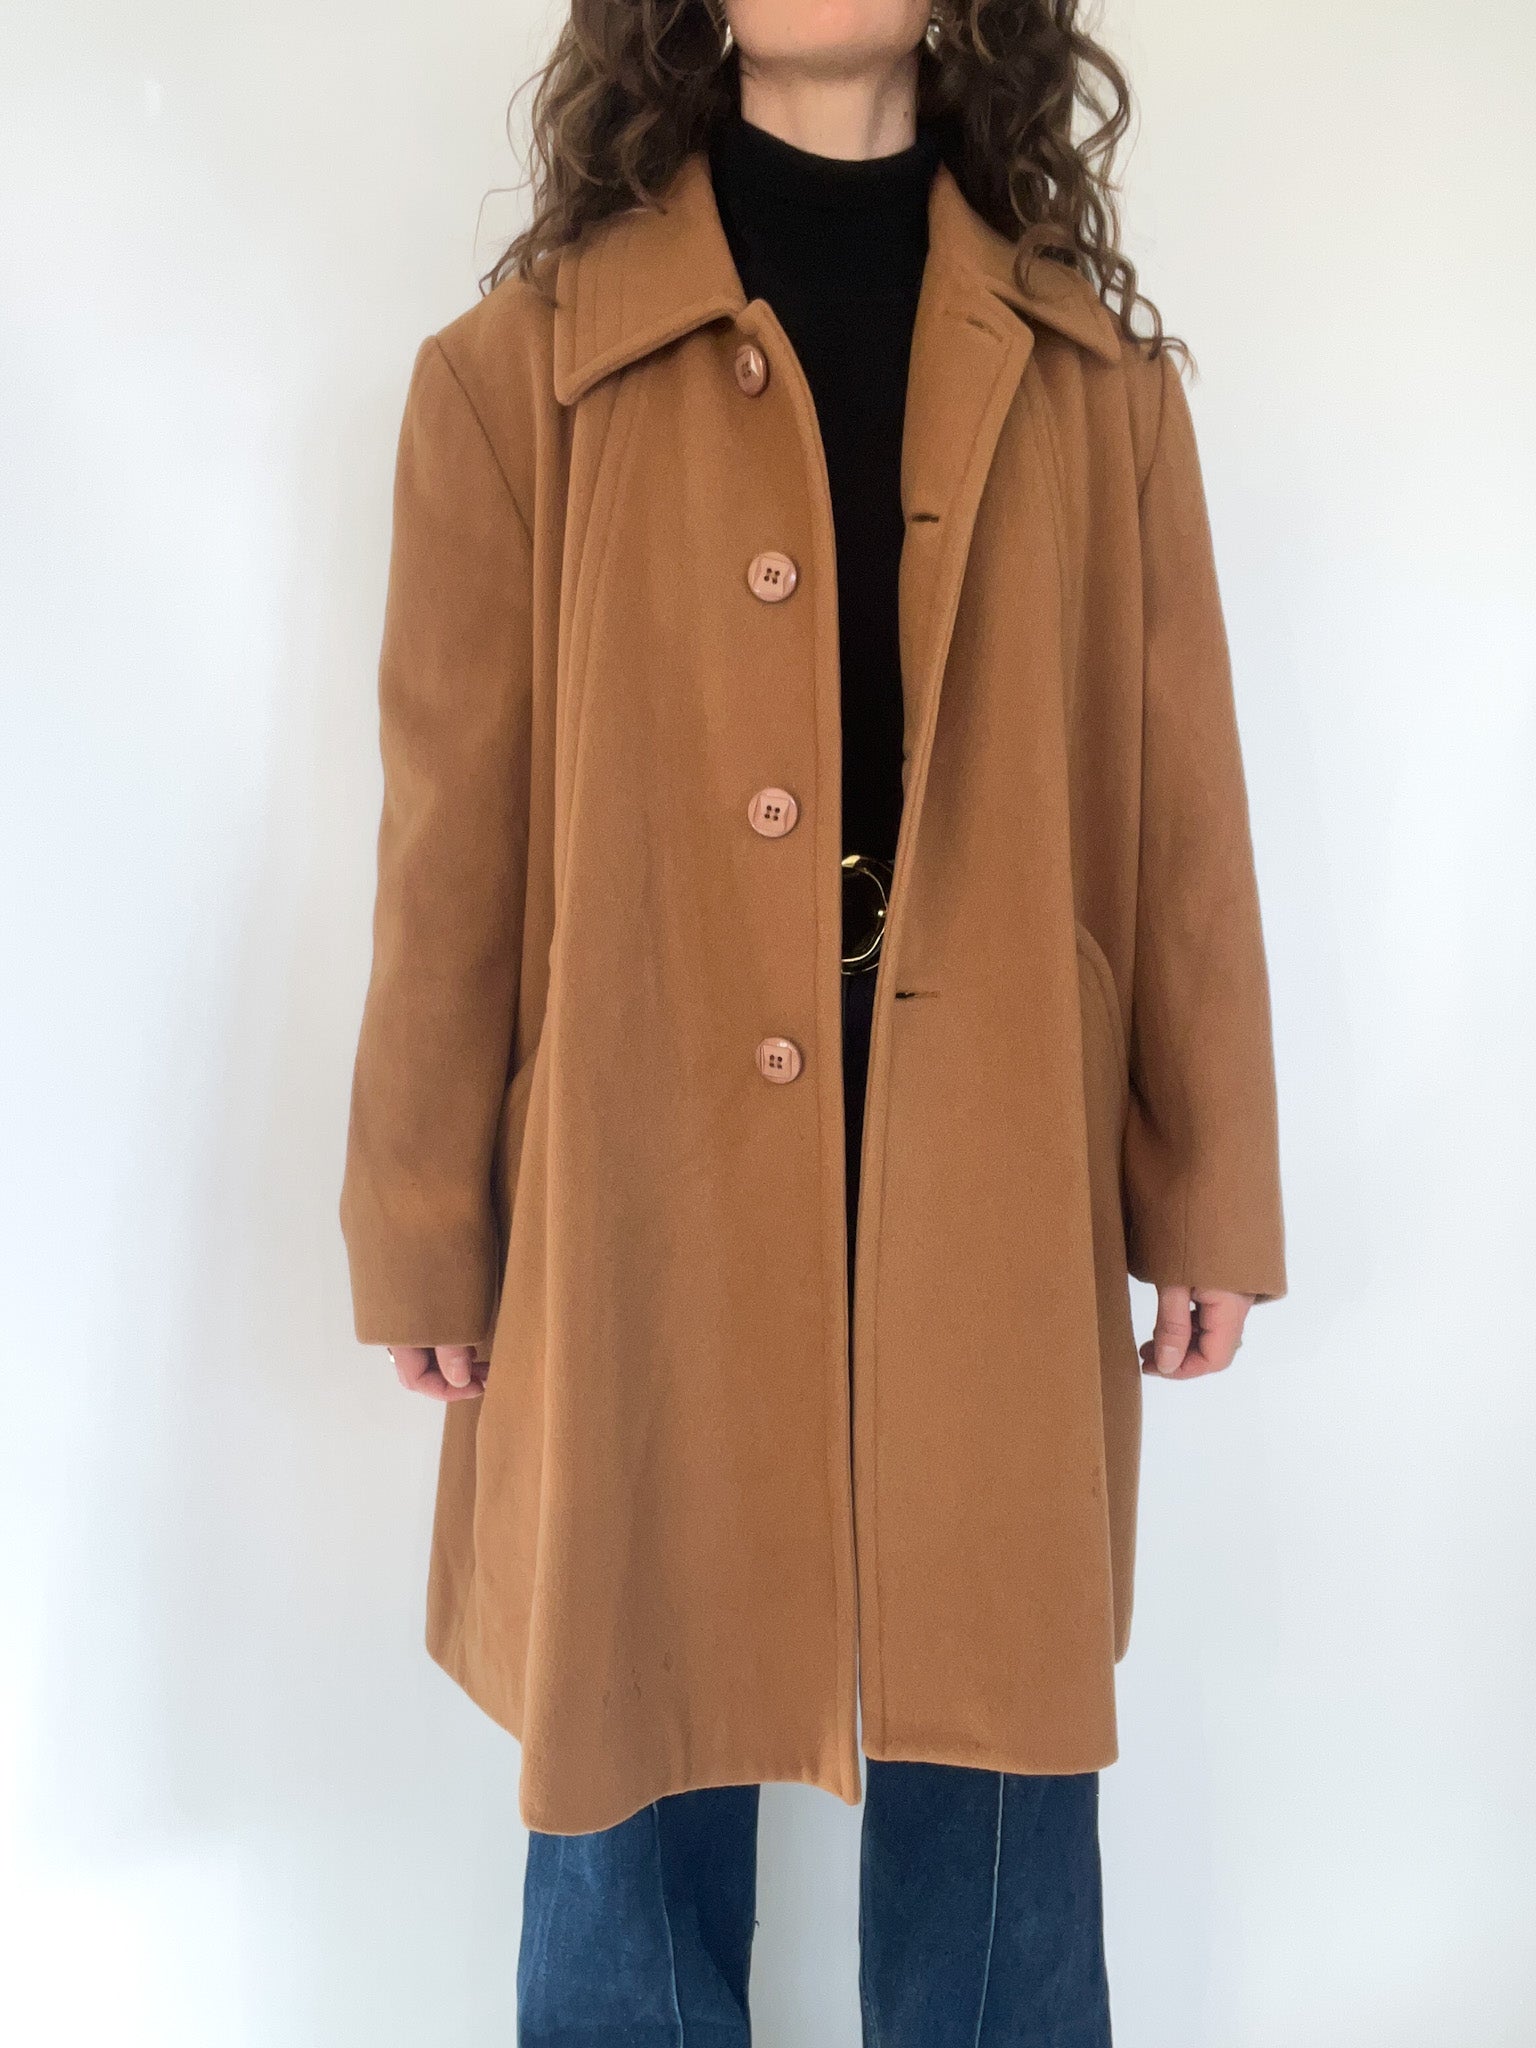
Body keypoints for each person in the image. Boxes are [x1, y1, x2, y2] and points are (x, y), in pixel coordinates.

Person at [340, 1, 1287, 2038]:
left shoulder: (1096, 386)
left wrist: (1206, 1183)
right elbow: (447, 847)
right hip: (640, 1154)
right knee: (626, 1723)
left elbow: (1180, 816)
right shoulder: (521, 377)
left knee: (998, 1758)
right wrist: (423, 1217)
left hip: (992, 1141)